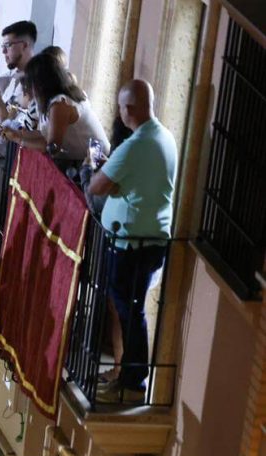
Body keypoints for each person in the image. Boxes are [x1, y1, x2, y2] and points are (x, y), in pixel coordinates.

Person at [88, 79, 177, 396]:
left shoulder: (136, 145)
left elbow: (96, 186)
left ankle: (133, 378)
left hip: (132, 244)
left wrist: (104, 176)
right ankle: (129, 373)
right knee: (130, 308)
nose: (120, 113)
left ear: (129, 108)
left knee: (130, 310)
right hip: (150, 240)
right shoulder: (164, 137)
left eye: (122, 107)